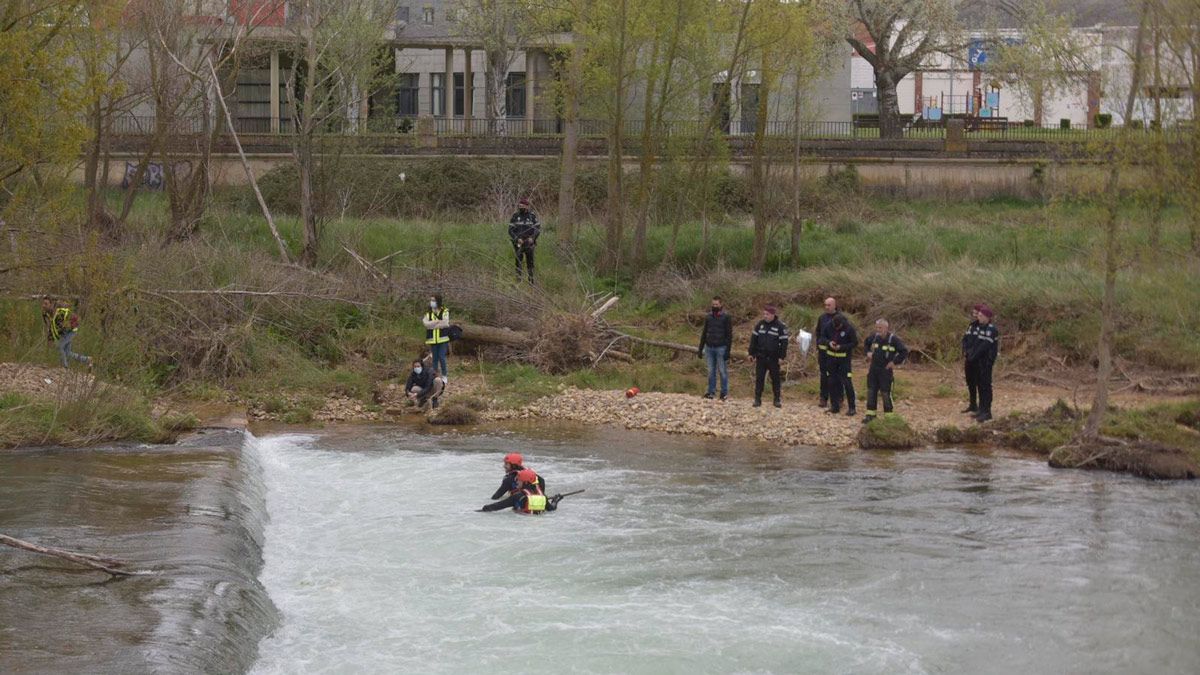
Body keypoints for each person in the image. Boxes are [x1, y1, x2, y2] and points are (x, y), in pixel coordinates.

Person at [862, 319, 908, 423]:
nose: (878, 330)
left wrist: (894, 362)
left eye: (880, 328)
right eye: (877, 328)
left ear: (886, 328)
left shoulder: (893, 339)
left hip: (885, 370)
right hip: (873, 369)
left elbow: (904, 352)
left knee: (885, 392)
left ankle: (889, 415)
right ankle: (870, 415)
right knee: (871, 391)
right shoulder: (874, 338)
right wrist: (868, 352)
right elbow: (866, 344)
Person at [965, 304, 1000, 423]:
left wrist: (973, 356)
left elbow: (984, 346)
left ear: (986, 317)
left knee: (986, 386)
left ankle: (987, 411)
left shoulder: (991, 329)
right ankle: (982, 409)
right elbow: (975, 343)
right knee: (980, 385)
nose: (978, 317)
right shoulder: (980, 327)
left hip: (986, 362)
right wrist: (970, 355)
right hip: (978, 361)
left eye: (980, 315)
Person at [748, 304, 788, 408]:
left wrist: (782, 357)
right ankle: (757, 399)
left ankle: (777, 399)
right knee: (759, 378)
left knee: (775, 379)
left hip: (774, 358)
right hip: (761, 356)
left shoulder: (780, 326)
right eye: (764, 314)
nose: (765, 316)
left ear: (773, 315)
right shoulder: (760, 325)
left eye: (767, 314)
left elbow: (784, 343)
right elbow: (753, 340)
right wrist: (751, 353)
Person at [697, 296, 733, 400]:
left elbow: (729, 335)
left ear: (721, 305)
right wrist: (700, 348)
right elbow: (704, 333)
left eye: (716, 304)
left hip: (721, 348)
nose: (714, 306)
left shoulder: (726, 317)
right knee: (711, 371)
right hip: (709, 348)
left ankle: (724, 393)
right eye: (713, 304)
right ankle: (711, 392)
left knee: (722, 371)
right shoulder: (708, 317)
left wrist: (728, 351)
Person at [41, 296, 92, 370]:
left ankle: (64, 367)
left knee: (59, 346)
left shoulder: (60, 312)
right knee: (67, 353)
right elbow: (50, 326)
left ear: (51, 304)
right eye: (43, 303)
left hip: (70, 331)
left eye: (46, 304)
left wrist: (66, 327)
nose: (43, 306)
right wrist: (50, 338)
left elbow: (65, 325)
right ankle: (88, 360)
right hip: (64, 332)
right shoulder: (46, 314)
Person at [480, 468, 559, 513]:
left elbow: (498, 506)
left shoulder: (518, 496)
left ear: (525, 482)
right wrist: (555, 500)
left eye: (519, 480)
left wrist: (484, 508)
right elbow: (552, 509)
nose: (517, 482)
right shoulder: (543, 497)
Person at [826, 314, 858, 416]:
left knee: (847, 383)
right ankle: (834, 406)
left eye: (838, 327)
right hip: (831, 359)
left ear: (842, 324)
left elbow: (854, 343)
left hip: (844, 359)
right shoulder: (829, 326)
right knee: (831, 382)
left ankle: (852, 407)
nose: (836, 328)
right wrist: (829, 343)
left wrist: (841, 347)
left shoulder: (849, 328)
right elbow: (821, 338)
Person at [813, 297, 839, 408]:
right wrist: (818, 345)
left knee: (836, 376)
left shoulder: (840, 318)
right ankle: (823, 397)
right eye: (825, 305)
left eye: (829, 305)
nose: (826, 307)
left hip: (835, 353)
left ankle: (839, 398)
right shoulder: (822, 318)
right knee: (824, 376)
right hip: (823, 352)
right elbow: (818, 333)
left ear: (834, 305)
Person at [508, 198, 540, 283]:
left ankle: (531, 280)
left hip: (529, 243)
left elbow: (537, 229)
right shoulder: (515, 216)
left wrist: (532, 238)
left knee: (530, 262)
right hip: (518, 243)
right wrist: (517, 239)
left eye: (523, 206)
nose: (521, 207)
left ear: (527, 206)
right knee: (518, 261)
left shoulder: (532, 216)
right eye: (519, 206)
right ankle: (518, 279)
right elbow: (510, 230)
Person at [961, 305, 984, 414]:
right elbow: (965, 339)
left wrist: (974, 354)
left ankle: (982, 407)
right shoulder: (971, 326)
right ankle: (972, 404)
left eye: (977, 313)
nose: (974, 316)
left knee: (980, 383)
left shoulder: (984, 327)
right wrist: (965, 350)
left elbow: (981, 344)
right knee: (970, 382)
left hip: (979, 360)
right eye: (973, 313)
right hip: (969, 358)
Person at [423, 294, 450, 383]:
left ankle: (444, 375)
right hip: (432, 339)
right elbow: (426, 324)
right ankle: (434, 375)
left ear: (438, 301)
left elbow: (445, 323)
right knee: (434, 358)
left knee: (441, 357)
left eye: (434, 300)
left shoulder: (444, 311)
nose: (432, 302)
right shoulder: (428, 313)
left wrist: (432, 325)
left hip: (442, 339)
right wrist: (437, 321)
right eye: (431, 300)